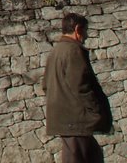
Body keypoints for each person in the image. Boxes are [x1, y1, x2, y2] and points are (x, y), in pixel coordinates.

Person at [43, 12, 112, 163]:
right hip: (76, 119)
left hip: (67, 118)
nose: (86, 36)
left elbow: (46, 86)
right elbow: (81, 86)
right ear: (78, 29)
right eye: (85, 31)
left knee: (91, 155)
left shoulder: (56, 51)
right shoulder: (73, 51)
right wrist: (96, 111)